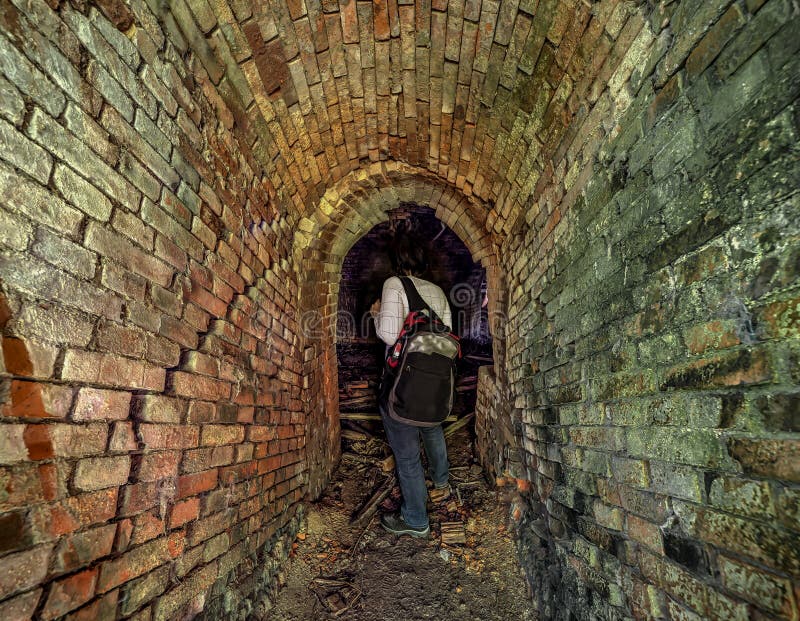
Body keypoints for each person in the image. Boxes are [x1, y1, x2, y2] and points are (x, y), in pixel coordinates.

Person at [370, 236, 452, 538]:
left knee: (406, 456)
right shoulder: (440, 293)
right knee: (432, 427)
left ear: (398, 263)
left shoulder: (396, 284)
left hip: (403, 385)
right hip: (435, 383)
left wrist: (377, 313)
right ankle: (440, 481)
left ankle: (416, 519)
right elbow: (446, 338)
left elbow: (390, 335)